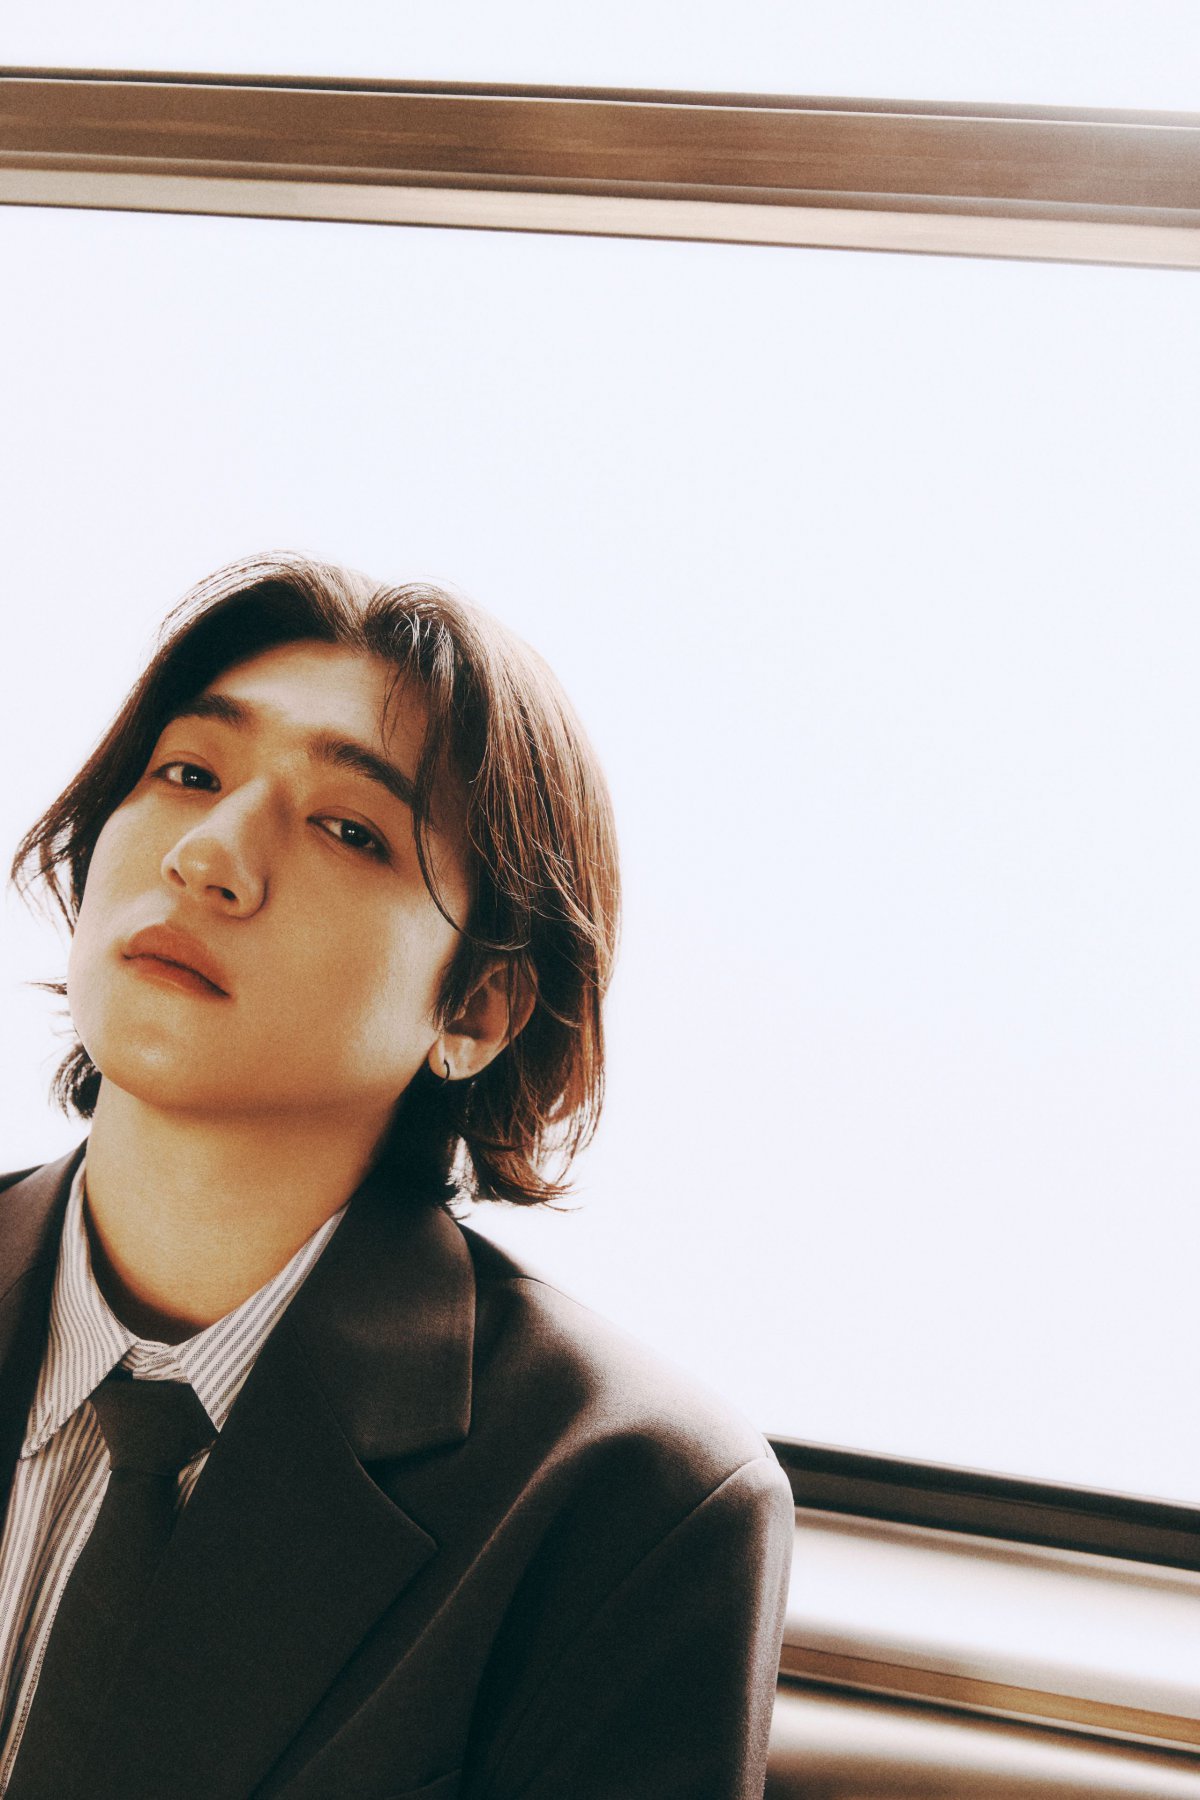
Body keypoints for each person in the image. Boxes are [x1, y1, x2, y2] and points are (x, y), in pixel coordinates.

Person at [0, 552, 794, 1800]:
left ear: (476, 1007)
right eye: (188, 772)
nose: (208, 855)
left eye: (349, 830)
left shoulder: (630, 1502)